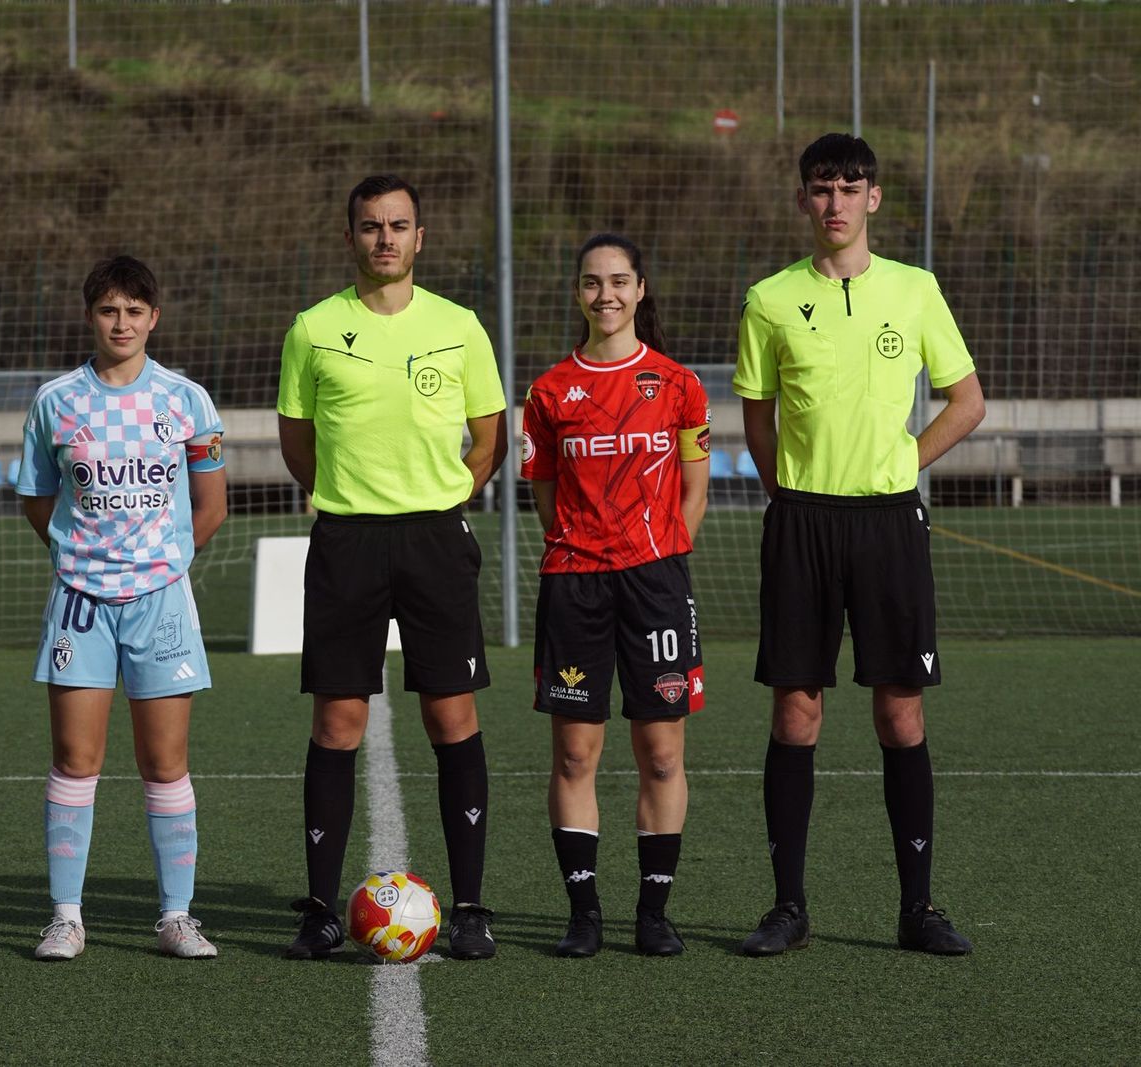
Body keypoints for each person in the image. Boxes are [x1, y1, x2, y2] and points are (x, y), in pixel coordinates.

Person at [732, 133, 986, 956]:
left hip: (887, 521)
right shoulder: (769, 299)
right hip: (802, 521)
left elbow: (967, 400)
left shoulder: (915, 289)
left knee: (899, 709)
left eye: (849, 187)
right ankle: (788, 907)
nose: (834, 201)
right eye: (821, 187)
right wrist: (787, 493)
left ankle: (918, 908)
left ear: (873, 197)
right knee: (796, 709)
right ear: (803, 199)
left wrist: (902, 462)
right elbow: (758, 418)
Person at [277, 174, 508, 960]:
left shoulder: (459, 326)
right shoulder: (313, 329)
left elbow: (489, 437)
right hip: (347, 542)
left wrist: (441, 499)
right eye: (372, 226)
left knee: (452, 716)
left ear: (420, 237)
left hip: (435, 542)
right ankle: (320, 908)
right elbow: (297, 443)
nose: (385, 238)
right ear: (351, 237)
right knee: (338, 722)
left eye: (399, 225)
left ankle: (470, 907)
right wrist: (352, 500)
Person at [16, 255, 227, 961]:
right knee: (76, 758)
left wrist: (160, 564)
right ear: (90, 317)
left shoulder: (188, 401)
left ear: (154, 317)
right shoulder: (56, 401)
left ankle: (176, 917)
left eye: (135, 311)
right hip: (81, 602)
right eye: (109, 310)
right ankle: (66, 918)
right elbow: (37, 499)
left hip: (161, 602)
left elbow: (211, 505)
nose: (122, 323)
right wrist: (83, 558)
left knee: (165, 761)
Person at [521, 234, 711, 959]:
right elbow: (545, 494)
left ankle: (654, 914)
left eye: (620, 281)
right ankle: (584, 913)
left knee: (661, 753)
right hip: (576, 583)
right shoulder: (548, 392)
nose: (607, 295)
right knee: (576, 753)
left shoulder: (678, 384)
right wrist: (587, 549)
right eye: (593, 282)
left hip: (656, 583)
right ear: (578, 292)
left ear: (640, 289)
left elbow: (693, 491)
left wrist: (658, 555)